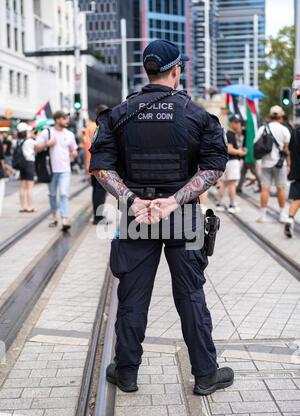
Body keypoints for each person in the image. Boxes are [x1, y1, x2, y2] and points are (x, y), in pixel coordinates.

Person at [90, 39, 233, 396]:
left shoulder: (119, 115)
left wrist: (132, 200)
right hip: (182, 214)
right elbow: (214, 166)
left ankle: (126, 372)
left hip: (136, 216)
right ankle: (204, 374)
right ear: (176, 70)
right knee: (191, 295)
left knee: (133, 295)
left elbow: (100, 166)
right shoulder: (197, 115)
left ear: (146, 70)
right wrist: (175, 201)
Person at [34, 111, 78, 231]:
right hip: (51, 170)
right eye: (65, 119)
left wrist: (74, 153)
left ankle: (64, 218)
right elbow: (36, 148)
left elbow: (74, 150)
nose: (67, 121)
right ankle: (54, 216)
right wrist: (47, 144)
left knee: (64, 194)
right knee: (52, 195)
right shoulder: (47, 132)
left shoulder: (69, 134)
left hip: (65, 169)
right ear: (57, 119)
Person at [254, 105, 291, 223]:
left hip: (265, 162)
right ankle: (282, 215)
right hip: (280, 164)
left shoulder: (262, 129)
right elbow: (286, 149)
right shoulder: (284, 129)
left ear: (270, 116)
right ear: (281, 117)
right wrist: (289, 164)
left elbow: (256, 144)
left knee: (265, 189)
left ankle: (262, 215)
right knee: (281, 189)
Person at [216, 114, 246, 213]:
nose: (239, 125)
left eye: (239, 123)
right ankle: (232, 205)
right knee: (232, 184)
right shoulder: (230, 134)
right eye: (237, 123)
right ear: (232, 123)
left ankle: (219, 203)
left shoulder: (231, 134)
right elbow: (229, 149)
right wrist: (240, 152)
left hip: (227, 162)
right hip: (232, 162)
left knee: (224, 183)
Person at [84, 104, 108, 225]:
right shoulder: (103, 127)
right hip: (101, 165)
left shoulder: (90, 127)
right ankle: (98, 218)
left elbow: (85, 146)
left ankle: (97, 215)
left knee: (96, 191)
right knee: (100, 191)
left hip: (91, 163)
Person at [15, 123, 36, 213]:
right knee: (29, 187)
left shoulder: (18, 141)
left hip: (22, 165)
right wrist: (33, 136)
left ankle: (22, 206)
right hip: (29, 164)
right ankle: (29, 207)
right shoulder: (29, 141)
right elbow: (38, 146)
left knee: (22, 187)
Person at [284, 125, 300, 238]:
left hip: (296, 170)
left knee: (297, 198)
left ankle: (290, 219)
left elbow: (288, 150)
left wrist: (290, 165)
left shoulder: (294, 132)